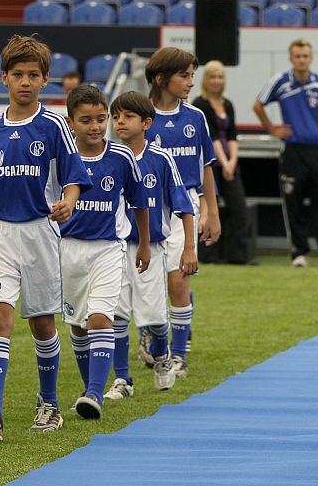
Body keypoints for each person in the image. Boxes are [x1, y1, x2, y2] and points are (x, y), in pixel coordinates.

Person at [0, 34, 91, 442]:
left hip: (40, 232)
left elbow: (74, 177)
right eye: (17, 74)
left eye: (33, 75)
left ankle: (49, 402)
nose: (24, 81)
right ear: (3, 78)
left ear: (45, 80)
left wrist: (68, 202)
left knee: (41, 322)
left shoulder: (54, 125)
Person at [60, 85, 151, 419]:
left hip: (108, 249)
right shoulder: (61, 160)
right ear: (71, 122)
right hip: (67, 250)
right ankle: (88, 389)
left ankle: (96, 394)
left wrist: (143, 242)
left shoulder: (121, 157)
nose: (96, 126)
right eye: (86, 120)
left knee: (101, 317)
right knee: (78, 325)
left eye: (101, 119)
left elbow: (139, 202)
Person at [108, 90, 198, 399]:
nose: (120, 122)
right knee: (117, 314)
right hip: (113, 247)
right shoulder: (108, 156)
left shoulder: (161, 159)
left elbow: (183, 206)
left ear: (147, 123)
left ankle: (162, 356)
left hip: (152, 248)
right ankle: (122, 379)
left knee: (155, 319)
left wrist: (188, 247)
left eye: (128, 116)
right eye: (116, 116)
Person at [139, 47, 221, 377]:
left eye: (192, 75)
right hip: (146, 205)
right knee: (149, 283)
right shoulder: (140, 116)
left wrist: (211, 212)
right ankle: (151, 331)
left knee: (178, 278)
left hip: (182, 206)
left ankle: (179, 353)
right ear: (161, 79)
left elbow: (206, 167)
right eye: (184, 76)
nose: (190, 82)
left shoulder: (195, 117)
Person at [254, 38, 318, 269]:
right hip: (291, 151)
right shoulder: (280, 82)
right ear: (291, 58)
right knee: (293, 203)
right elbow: (258, 104)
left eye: (305, 55)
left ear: (310, 58)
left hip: (316, 150)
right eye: (297, 56)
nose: (301, 59)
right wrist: (271, 128)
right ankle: (299, 252)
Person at [192, 60, 252, 265]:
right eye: (213, 77)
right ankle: (208, 255)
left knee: (239, 207)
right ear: (206, 80)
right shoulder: (200, 105)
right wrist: (224, 163)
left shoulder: (227, 104)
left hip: (229, 163)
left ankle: (237, 256)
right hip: (210, 164)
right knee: (209, 209)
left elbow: (233, 135)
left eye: (220, 77)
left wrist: (232, 161)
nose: (216, 81)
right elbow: (213, 136)